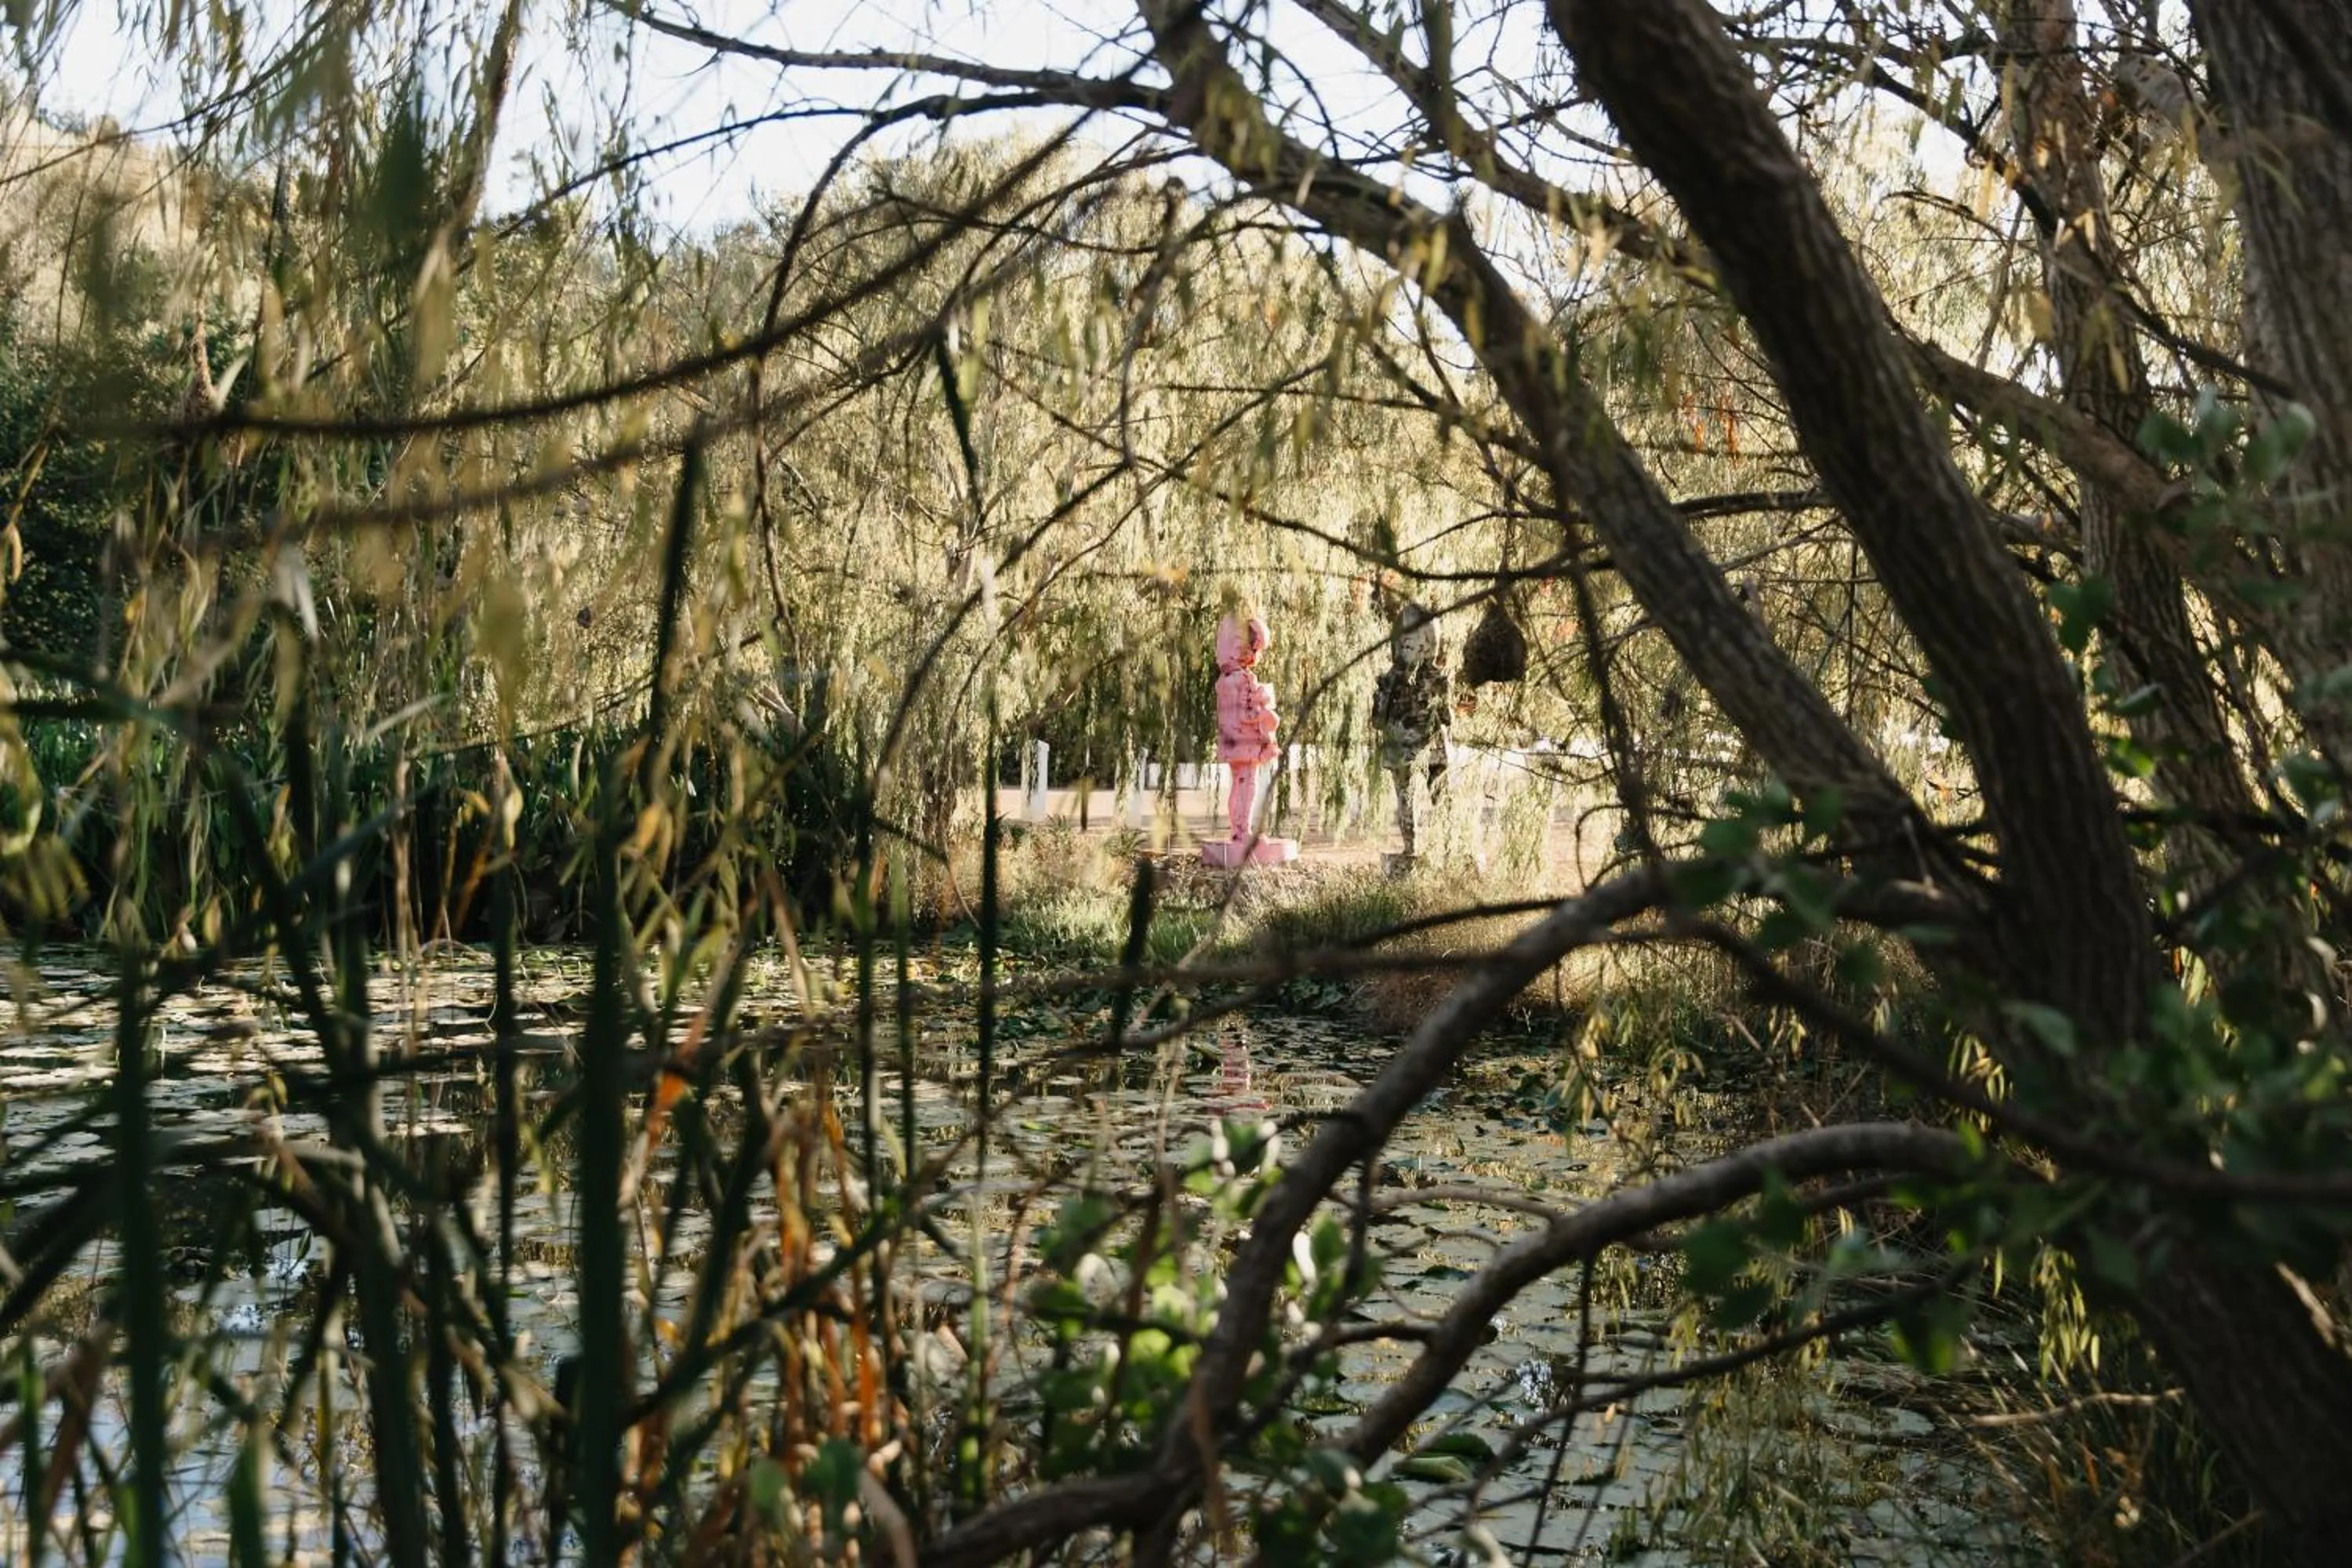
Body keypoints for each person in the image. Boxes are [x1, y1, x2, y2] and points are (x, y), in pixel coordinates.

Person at [1372, 600, 1450, 862]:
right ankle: (1445, 845)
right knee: (1437, 793)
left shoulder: (1392, 678)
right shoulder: (1437, 677)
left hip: (1405, 746)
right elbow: (1447, 716)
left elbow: (1378, 719)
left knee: (1408, 797)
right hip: (1428, 745)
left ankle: (1414, 849)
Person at [1213, 614, 1280, 842]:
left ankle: (1238, 830)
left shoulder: (1224, 680)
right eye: (1255, 649)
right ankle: (1243, 831)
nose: (1255, 656)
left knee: (1238, 783)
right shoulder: (1242, 679)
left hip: (1232, 741)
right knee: (1248, 785)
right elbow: (1247, 714)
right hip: (1246, 743)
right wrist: (1266, 709)